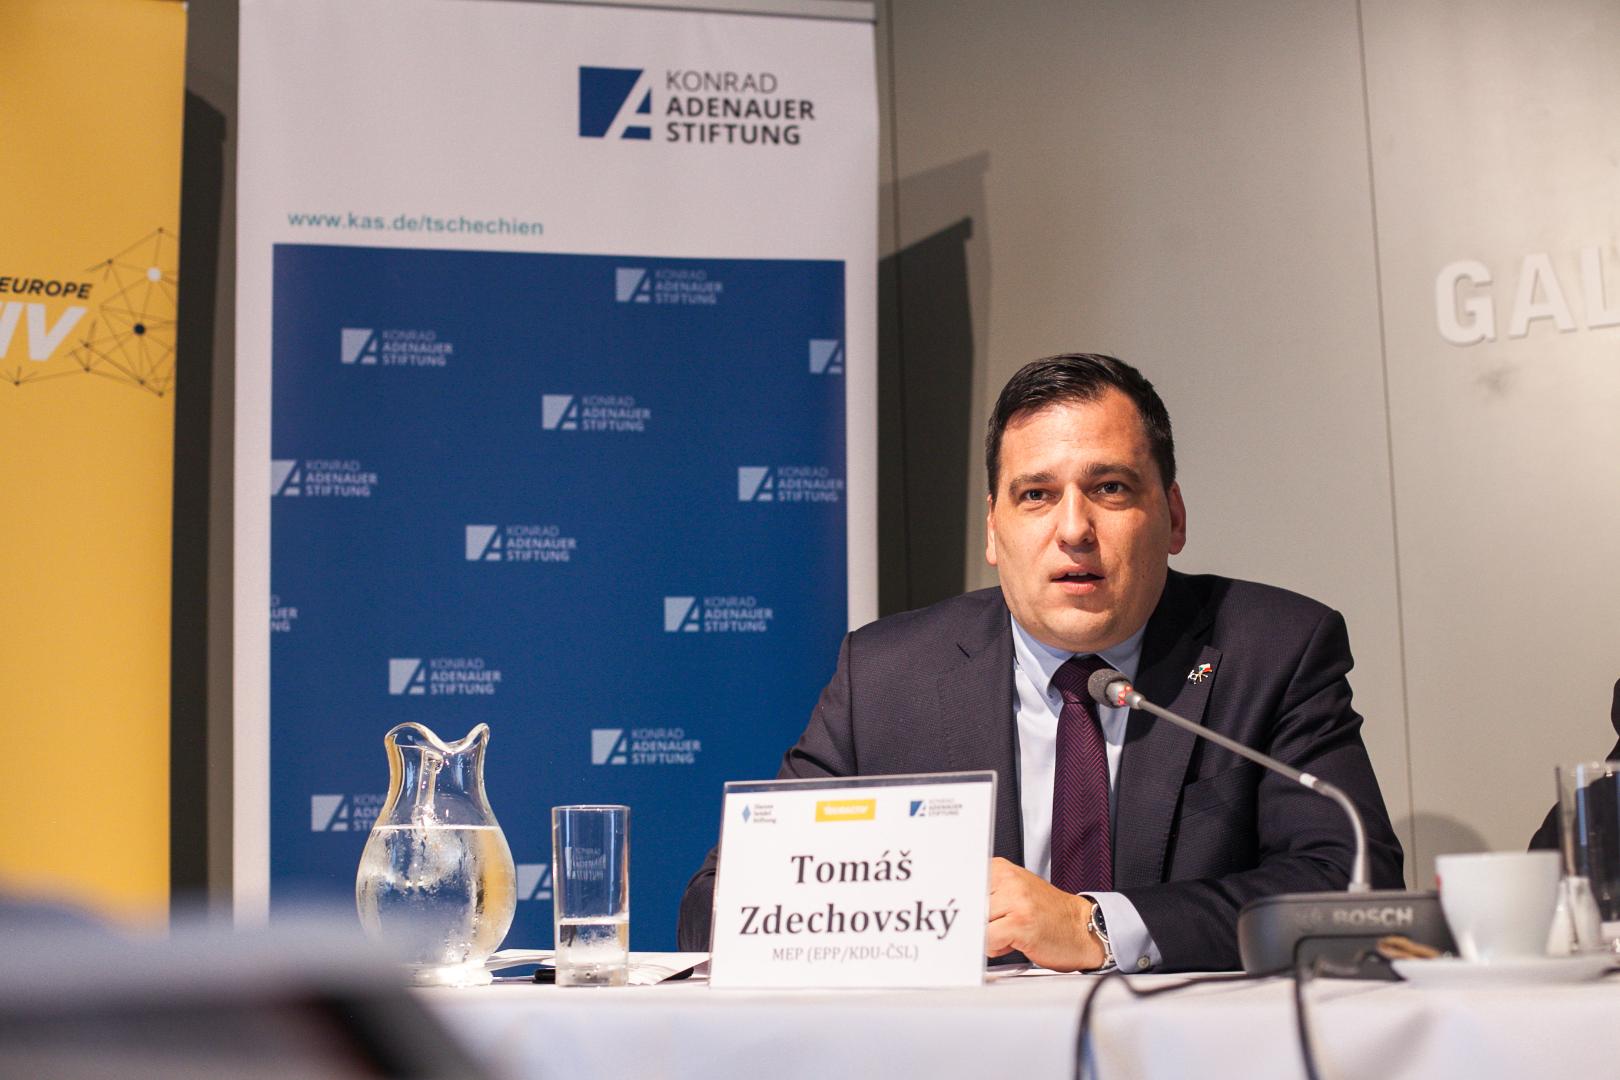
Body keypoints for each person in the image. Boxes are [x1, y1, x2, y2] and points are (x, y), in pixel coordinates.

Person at [678, 354, 1404, 972]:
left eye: (1110, 488)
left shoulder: (1271, 649)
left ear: (1174, 517)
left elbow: (1351, 885)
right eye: (1036, 495)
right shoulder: (886, 676)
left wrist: (1095, 926)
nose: (1074, 528)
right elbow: (719, 904)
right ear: (994, 531)